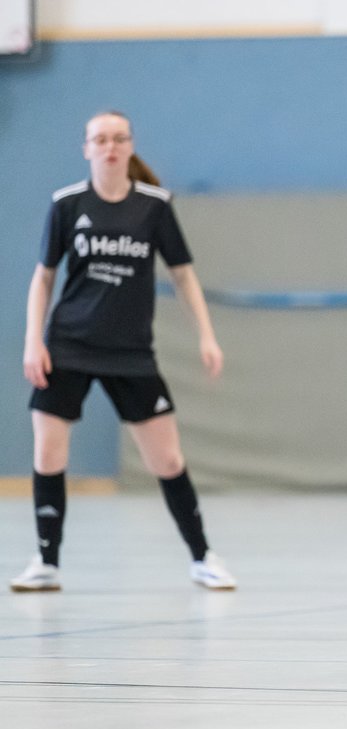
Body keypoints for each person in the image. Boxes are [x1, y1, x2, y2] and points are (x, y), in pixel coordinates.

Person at [13, 110, 236, 593]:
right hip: (68, 345)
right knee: (49, 453)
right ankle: (46, 561)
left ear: (130, 146)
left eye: (119, 138)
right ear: (86, 148)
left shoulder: (154, 206)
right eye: (100, 139)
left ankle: (202, 557)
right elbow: (44, 276)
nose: (110, 147)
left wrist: (207, 334)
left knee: (168, 461)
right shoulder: (67, 204)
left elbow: (182, 274)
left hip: (131, 353)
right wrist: (34, 339)